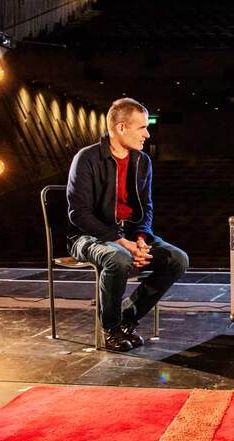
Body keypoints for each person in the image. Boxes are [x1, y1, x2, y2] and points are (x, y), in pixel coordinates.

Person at [66, 98, 189, 352]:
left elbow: (147, 206)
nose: (147, 134)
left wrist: (142, 239)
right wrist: (122, 242)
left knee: (178, 259)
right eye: (142, 127)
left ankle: (126, 319)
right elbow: (79, 214)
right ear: (121, 128)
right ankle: (111, 329)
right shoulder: (87, 158)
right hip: (88, 236)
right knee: (119, 258)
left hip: (131, 235)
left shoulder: (142, 161)